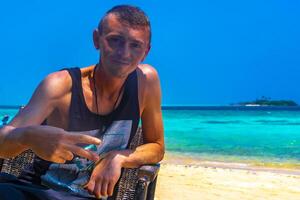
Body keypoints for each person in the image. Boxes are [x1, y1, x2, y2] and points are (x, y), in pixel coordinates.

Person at [0, 5, 164, 200]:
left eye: (135, 45)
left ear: (146, 51)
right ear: (97, 39)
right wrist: (27, 136)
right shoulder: (60, 85)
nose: (124, 53)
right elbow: (3, 142)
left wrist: (118, 157)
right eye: (115, 40)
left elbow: (157, 146)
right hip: (35, 190)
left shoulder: (146, 82)